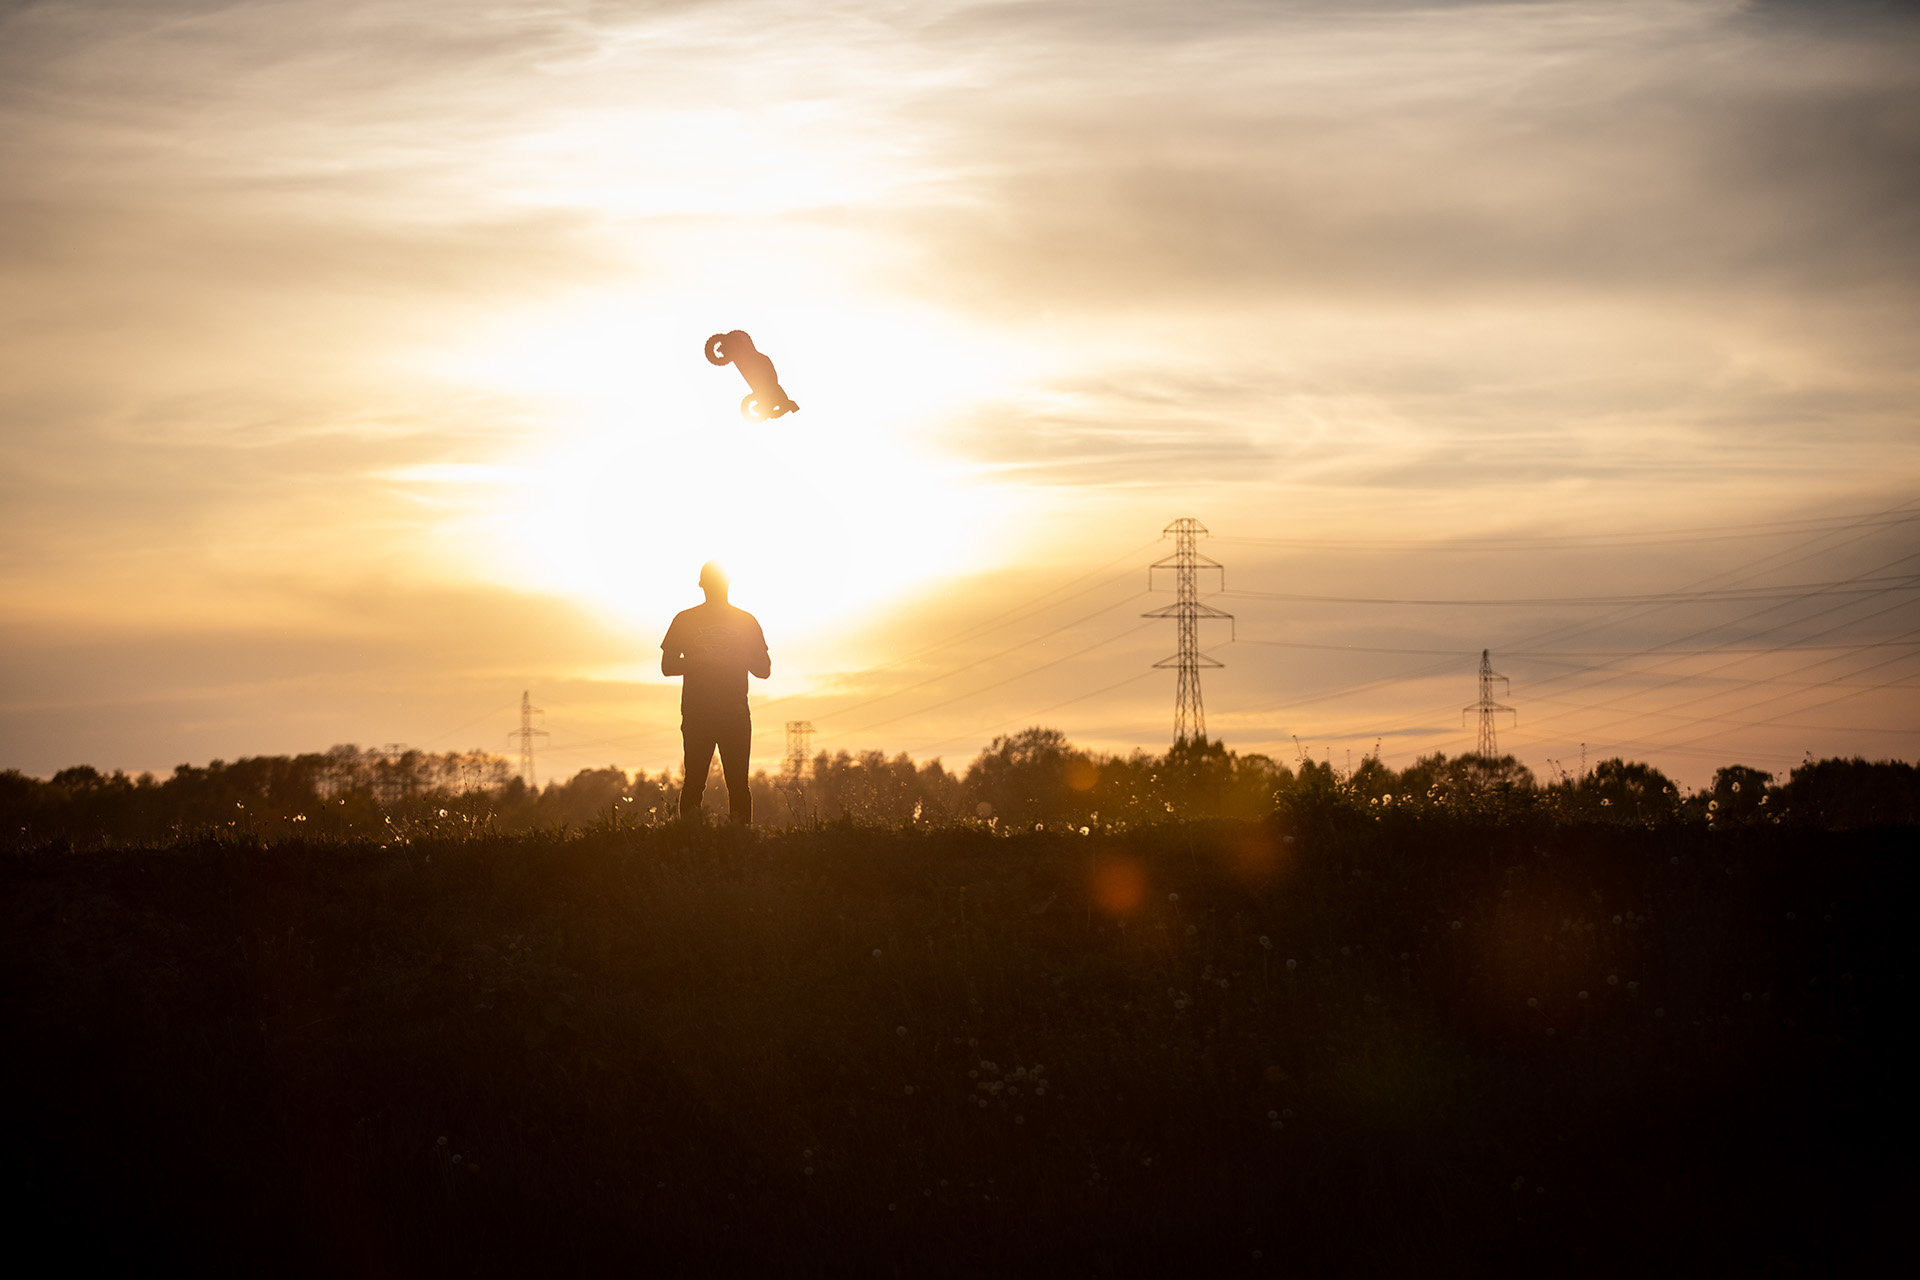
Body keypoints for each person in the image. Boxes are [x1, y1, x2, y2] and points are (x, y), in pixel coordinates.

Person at [660, 562, 770, 823]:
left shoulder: (746, 621)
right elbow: (667, 667)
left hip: (734, 715)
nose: (715, 587)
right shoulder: (685, 619)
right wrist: (701, 662)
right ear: (702, 585)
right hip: (700, 715)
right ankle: (691, 840)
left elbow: (763, 670)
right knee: (695, 783)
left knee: (737, 786)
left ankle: (738, 843)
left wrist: (739, 656)